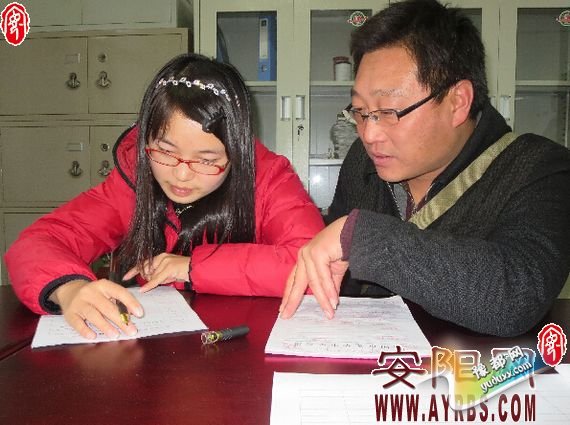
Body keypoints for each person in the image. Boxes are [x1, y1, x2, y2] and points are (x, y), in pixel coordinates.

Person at [280, 0, 570, 337]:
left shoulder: (540, 168)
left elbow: (517, 296)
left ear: (457, 102)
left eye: (389, 111)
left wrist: (364, 238)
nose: (369, 134)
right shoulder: (363, 161)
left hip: (475, 368)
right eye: (360, 111)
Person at [5, 53, 324, 339]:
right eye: (165, 152)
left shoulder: (269, 178)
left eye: (207, 161)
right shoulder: (133, 181)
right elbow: (38, 242)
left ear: (236, 151)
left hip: (245, 348)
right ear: (146, 139)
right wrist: (68, 288)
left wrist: (192, 268)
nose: (181, 175)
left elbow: (315, 268)